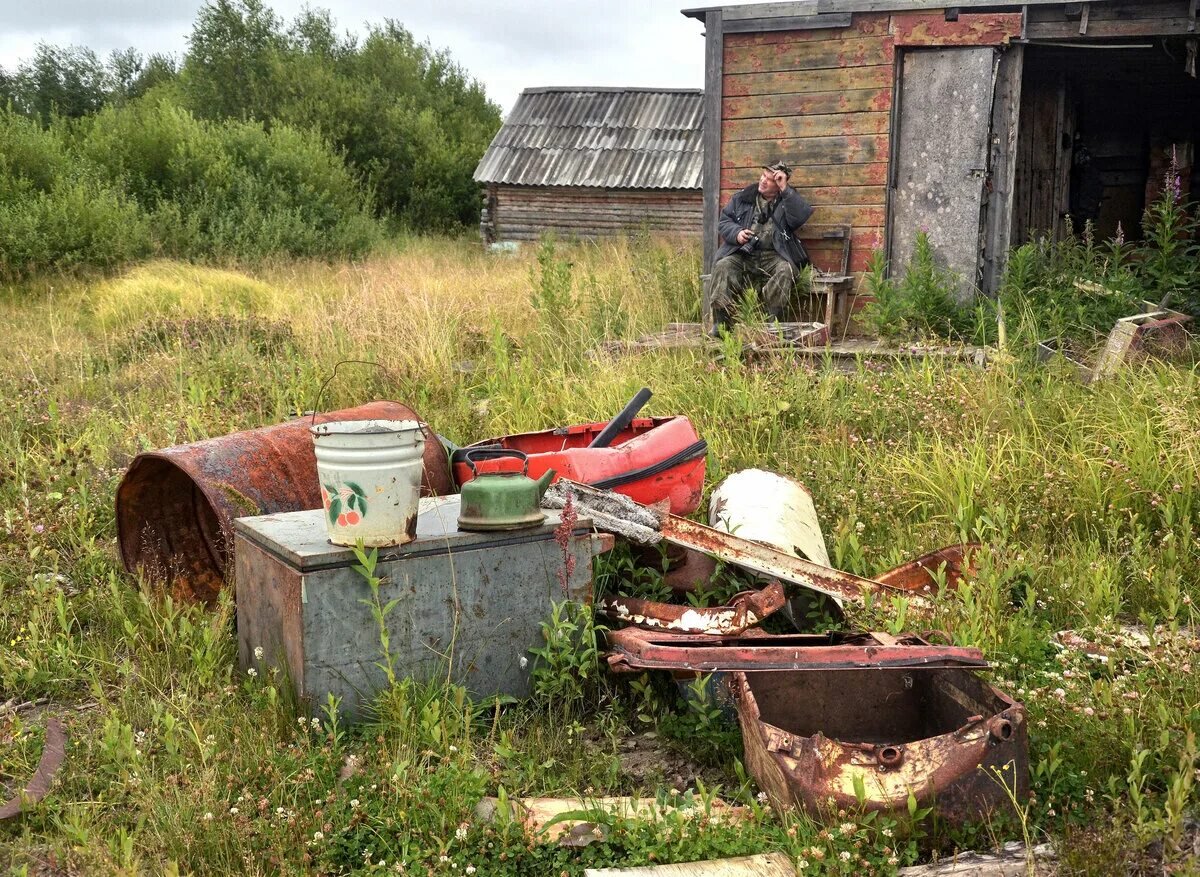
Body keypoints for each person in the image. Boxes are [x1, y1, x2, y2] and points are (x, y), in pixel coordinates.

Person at [708, 161, 814, 336]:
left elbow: (800, 217)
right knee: (723, 266)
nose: (763, 180)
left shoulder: (788, 199)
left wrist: (785, 189)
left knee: (785, 270)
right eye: (763, 175)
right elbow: (724, 221)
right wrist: (737, 233)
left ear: (778, 183)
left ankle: (772, 326)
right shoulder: (743, 197)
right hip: (743, 254)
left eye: (770, 179)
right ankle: (722, 324)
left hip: (774, 256)